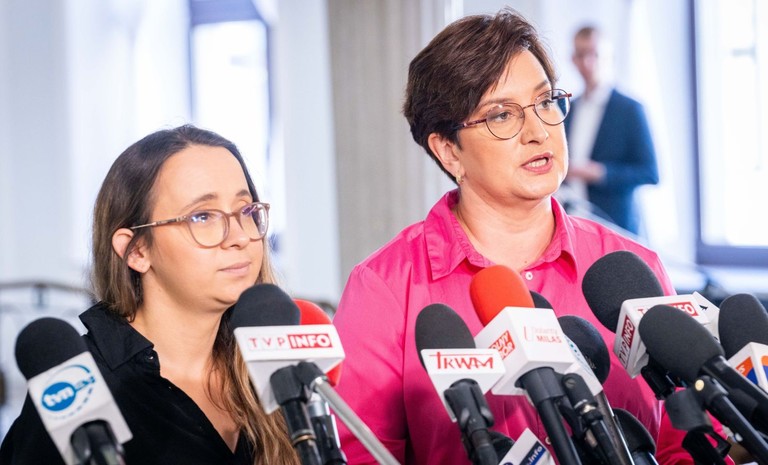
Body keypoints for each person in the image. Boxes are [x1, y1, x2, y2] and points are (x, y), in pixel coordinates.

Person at [332, 8, 683, 465]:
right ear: (448, 150)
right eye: (501, 115)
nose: (539, 131)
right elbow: (359, 454)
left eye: (545, 101)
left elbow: (684, 442)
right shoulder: (386, 287)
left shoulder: (631, 269)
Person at [0, 125, 299, 465]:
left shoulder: (275, 369)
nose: (240, 237)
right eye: (203, 216)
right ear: (136, 250)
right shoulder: (80, 391)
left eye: (245, 211)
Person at [563, 25, 659, 236]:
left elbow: (650, 172)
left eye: (594, 54)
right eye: (581, 55)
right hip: (575, 224)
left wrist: (600, 173)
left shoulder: (630, 109)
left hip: (618, 227)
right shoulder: (568, 108)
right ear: (573, 60)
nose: (588, 63)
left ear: (609, 57)